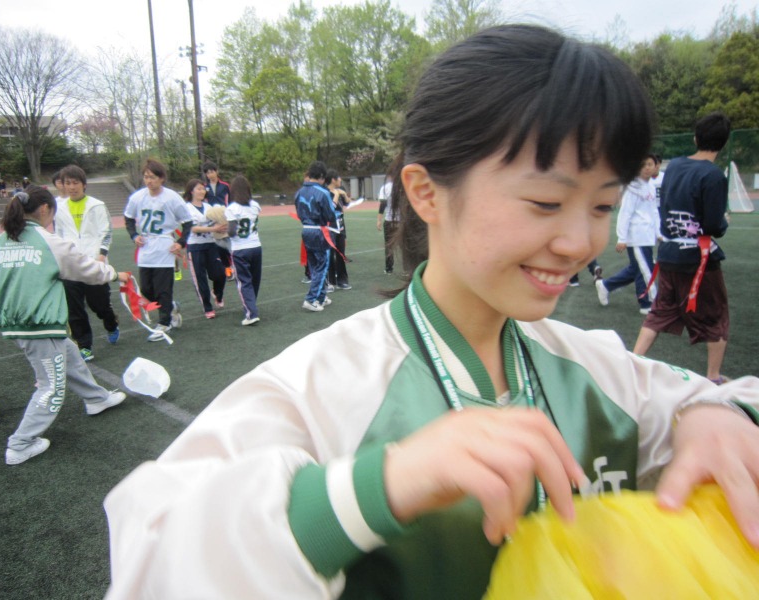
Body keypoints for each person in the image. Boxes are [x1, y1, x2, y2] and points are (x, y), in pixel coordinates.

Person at [103, 26, 759, 599]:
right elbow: (155, 561)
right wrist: (375, 489)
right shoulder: (316, 389)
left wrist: (717, 414)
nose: (579, 242)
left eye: (602, 206)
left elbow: (719, 399)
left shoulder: (592, 368)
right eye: (546, 202)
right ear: (426, 193)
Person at [0, 187, 131, 465]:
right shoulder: (48, 241)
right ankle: (20, 444)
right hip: (39, 323)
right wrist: (114, 274)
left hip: (16, 322)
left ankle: (96, 398)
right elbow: (85, 268)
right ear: (45, 209)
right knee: (51, 386)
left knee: (68, 352)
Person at [633, 113, 733, 384]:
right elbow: (712, 225)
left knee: (660, 310)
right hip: (697, 259)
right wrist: (723, 222)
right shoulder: (713, 176)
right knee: (716, 314)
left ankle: (632, 362)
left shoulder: (675, 166)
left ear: (695, 138)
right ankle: (713, 376)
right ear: (724, 143)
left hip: (668, 253)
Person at [54, 165, 121, 361]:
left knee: (99, 305)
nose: (71, 187)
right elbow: (58, 235)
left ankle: (111, 323)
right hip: (70, 267)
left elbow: (106, 232)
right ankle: (84, 345)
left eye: (75, 183)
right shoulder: (59, 208)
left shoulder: (97, 205)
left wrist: (101, 255)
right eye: (68, 183)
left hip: (93, 264)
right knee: (74, 309)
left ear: (84, 184)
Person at [124, 159, 192, 341]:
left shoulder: (172, 198)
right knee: (146, 290)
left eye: (153, 177)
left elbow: (187, 222)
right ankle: (170, 306)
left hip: (164, 246)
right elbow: (128, 218)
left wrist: (181, 243)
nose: (149, 181)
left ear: (161, 178)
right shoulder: (138, 197)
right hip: (146, 246)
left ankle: (164, 323)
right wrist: (134, 235)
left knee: (163, 288)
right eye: (146, 177)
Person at [595, 155, 660, 314]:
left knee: (636, 268)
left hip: (647, 236)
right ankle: (647, 303)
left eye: (650, 164)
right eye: (643, 164)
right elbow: (625, 213)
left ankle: (606, 285)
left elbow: (653, 212)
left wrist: (658, 232)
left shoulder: (651, 186)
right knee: (645, 269)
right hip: (636, 236)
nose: (647, 167)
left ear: (655, 166)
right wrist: (622, 238)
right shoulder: (632, 188)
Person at [295, 161, 337, 312]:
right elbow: (330, 214)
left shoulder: (299, 192)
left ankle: (321, 296)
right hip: (319, 231)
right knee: (322, 265)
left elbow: (299, 212)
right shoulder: (323, 192)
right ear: (321, 176)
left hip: (306, 230)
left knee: (314, 265)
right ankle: (311, 299)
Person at [182, 179, 226, 319]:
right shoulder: (186, 208)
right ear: (191, 191)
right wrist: (213, 228)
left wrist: (223, 225)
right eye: (199, 189)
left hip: (211, 245)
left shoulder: (208, 207)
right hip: (195, 247)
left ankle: (217, 293)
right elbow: (193, 228)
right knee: (200, 279)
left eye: (203, 189)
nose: (202, 191)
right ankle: (207, 307)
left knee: (220, 274)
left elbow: (217, 222)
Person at [226, 174, 262, 326]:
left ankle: (251, 313)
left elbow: (232, 232)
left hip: (240, 248)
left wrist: (223, 230)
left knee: (243, 281)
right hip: (256, 246)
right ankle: (251, 305)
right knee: (254, 279)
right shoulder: (255, 205)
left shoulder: (232, 208)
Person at [202, 161, 234, 280]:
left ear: (216, 172)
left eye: (212, 172)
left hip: (225, 217)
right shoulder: (204, 187)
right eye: (208, 173)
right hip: (212, 220)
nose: (210, 175)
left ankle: (234, 267)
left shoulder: (225, 186)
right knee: (218, 247)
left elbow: (231, 201)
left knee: (229, 244)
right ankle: (227, 270)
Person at [325, 169, 351, 290]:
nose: (340, 180)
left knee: (341, 253)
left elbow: (348, 203)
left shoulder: (340, 190)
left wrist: (344, 194)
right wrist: (336, 194)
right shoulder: (325, 192)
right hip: (330, 227)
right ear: (333, 180)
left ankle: (342, 280)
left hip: (340, 226)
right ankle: (330, 282)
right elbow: (330, 208)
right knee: (330, 255)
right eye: (338, 178)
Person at [376, 169, 399, 274]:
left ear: (389, 176)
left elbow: (383, 205)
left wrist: (379, 220)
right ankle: (408, 269)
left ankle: (389, 268)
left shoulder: (385, 188)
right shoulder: (403, 187)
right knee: (405, 245)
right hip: (401, 221)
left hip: (389, 220)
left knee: (389, 245)